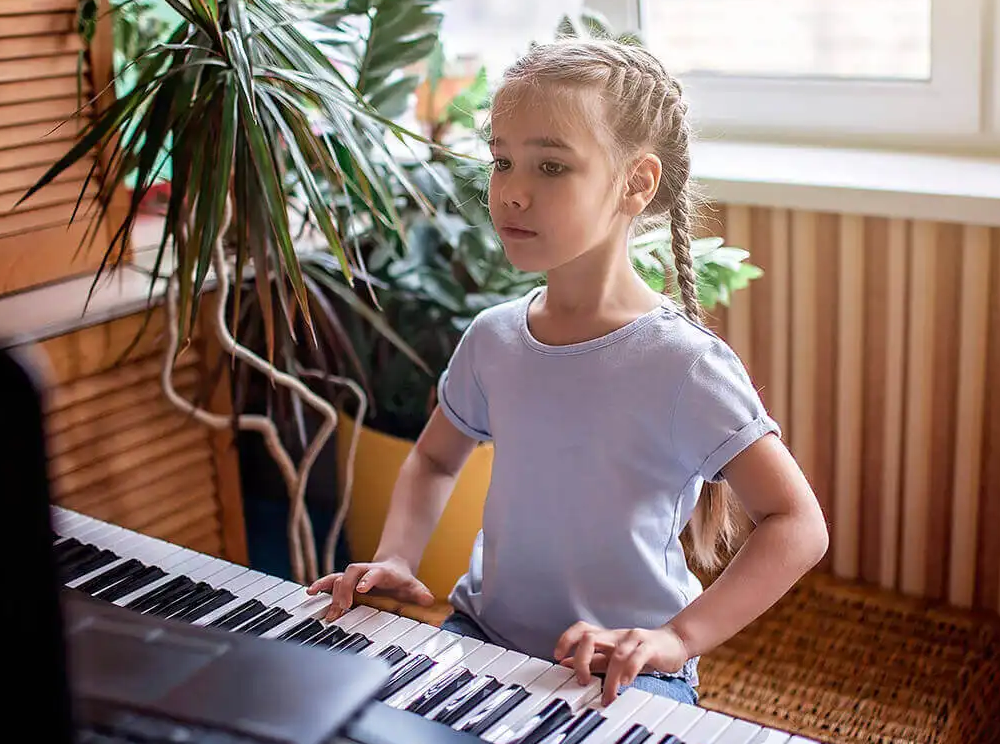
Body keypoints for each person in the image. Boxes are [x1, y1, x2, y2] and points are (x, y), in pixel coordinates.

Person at [308, 37, 828, 707]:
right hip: (482, 639)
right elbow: (436, 461)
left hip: (629, 673)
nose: (512, 194)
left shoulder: (683, 365)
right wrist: (398, 557)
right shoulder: (494, 339)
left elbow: (797, 523)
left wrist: (677, 638)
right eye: (502, 161)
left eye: (551, 167)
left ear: (636, 183)